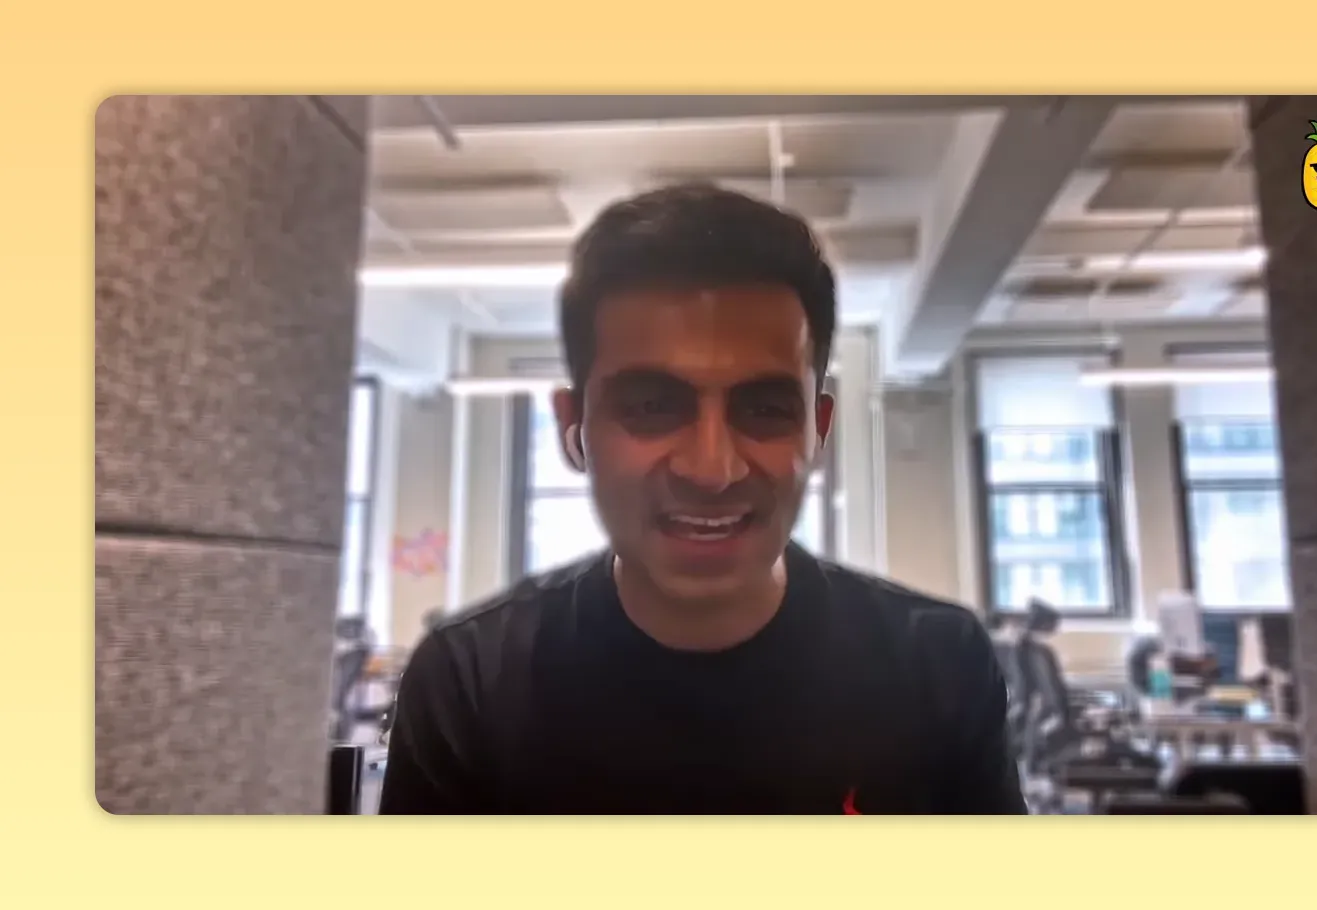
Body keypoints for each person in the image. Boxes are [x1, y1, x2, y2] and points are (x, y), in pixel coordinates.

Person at [378, 183, 1028, 814]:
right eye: (652, 406)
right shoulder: (471, 683)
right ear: (573, 429)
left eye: (765, 407)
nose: (710, 468)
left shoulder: (938, 667)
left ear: (817, 430)